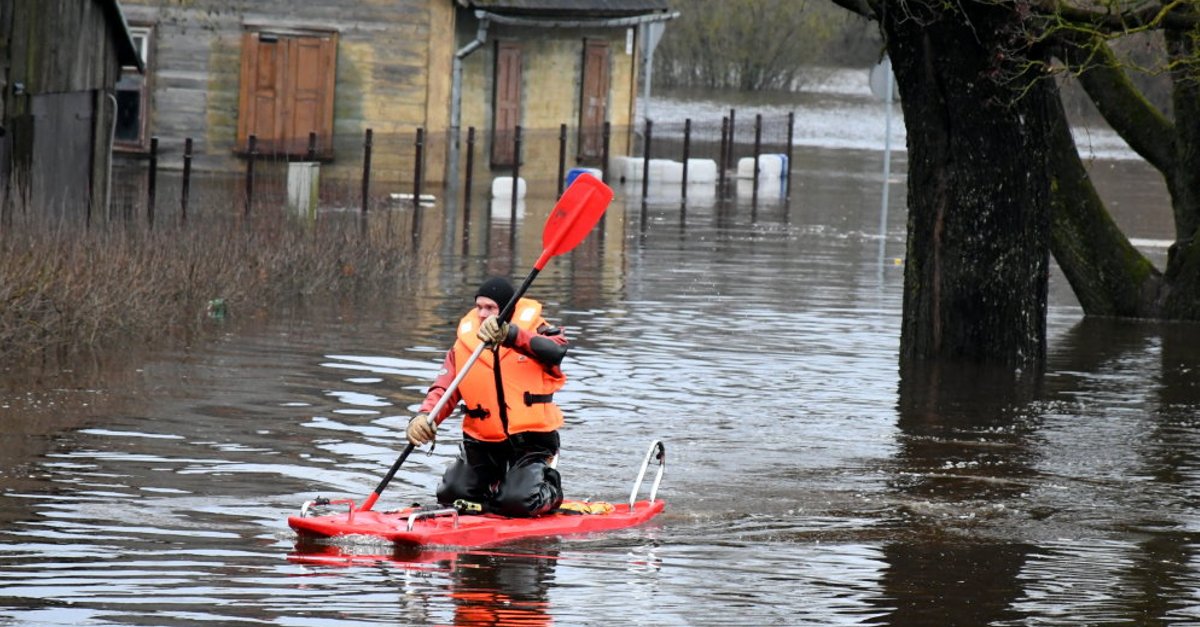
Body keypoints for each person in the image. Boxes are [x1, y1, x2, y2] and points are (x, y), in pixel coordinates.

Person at [406, 276, 568, 517]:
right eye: (479, 307)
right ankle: (498, 492)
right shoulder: (463, 347)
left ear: (506, 309)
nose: (482, 314)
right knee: (451, 494)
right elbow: (443, 389)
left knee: (519, 502)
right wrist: (424, 417)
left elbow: (557, 350)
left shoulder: (537, 334)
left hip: (531, 443)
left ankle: (548, 490)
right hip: (482, 442)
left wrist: (511, 335)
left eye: (490, 308)